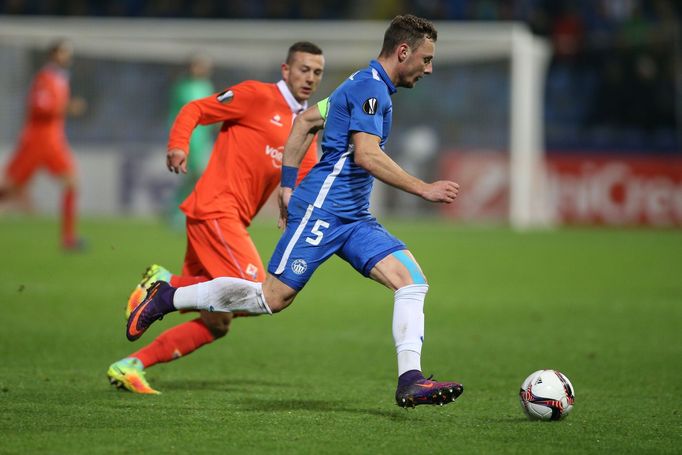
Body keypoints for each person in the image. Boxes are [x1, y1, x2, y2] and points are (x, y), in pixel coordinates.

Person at [126, 15, 463, 408]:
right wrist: (423, 188)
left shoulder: (356, 83)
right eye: (426, 59)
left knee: (412, 281)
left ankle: (410, 380)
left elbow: (305, 120)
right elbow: (368, 155)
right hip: (325, 210)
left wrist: (287, 184)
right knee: (271, 298)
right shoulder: (372, 90)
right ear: (403, 51)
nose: (429, 68)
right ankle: (167, 296)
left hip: (352, 217)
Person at [107, 42, 325, 394]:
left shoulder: (307, 125)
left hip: (228, 220)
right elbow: (195, 108)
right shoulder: (256, 95)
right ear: (286, 70)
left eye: (317, 72)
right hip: (216, 210)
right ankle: (166, 282)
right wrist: (178, 144)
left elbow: (306, 177)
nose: (310, 78)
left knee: (218, 320)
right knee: (261, 293)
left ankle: (131, 364)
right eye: (304, 69)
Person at [0, 39, 86, 250]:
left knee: (72, 183)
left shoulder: (59, 78)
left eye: (68, 53)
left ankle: (68, 239)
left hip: (52, 140)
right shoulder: (45, 78)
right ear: (53, 55)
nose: (67, 57)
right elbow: (40, 107)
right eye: (63, 53)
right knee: (11, 188)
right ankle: (68, 238)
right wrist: (67, 108)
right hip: (37, 140)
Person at [165, 54, 215, 230]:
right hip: (190, 138)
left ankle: (179, 210)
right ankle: (181, 212)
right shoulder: (181, 87)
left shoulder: (207, 86)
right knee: (196, 176)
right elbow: (176, 113)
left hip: (204, 137)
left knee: (197, 178)